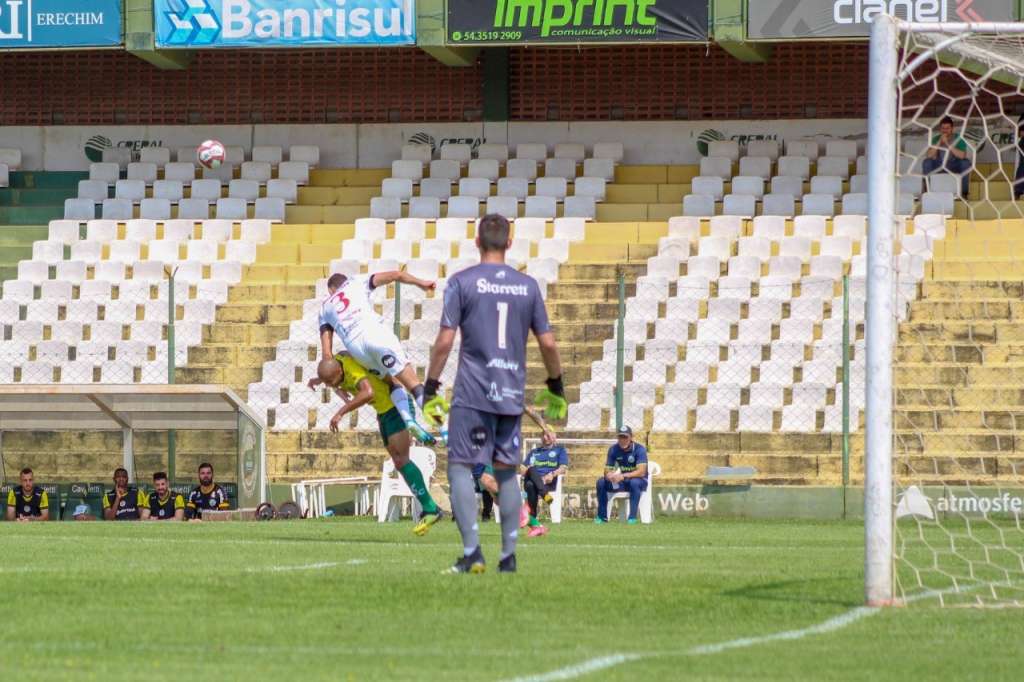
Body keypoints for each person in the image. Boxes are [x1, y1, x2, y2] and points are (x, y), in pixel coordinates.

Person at [424, 213, 567, 575]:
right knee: (505, 473)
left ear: (476, 242)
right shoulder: (528, 286)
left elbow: (444, 341)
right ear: (509, 243)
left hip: (472, 393)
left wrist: (430, 387)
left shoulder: (461, 282)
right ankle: (508, 556)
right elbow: (549, 344)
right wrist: (556, 385)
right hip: (509, 394)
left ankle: (472, 552)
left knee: (460, 467)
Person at [309, 352, 443, 535]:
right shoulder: (338, 366)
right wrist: (319, 380)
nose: (332, 386)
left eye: (332, 382)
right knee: (399, 462)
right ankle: (430, 507)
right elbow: (337, 362)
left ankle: (430, 508)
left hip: (394, 408)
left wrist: (341, 412)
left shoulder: (352, 372)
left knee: (402, 460)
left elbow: (368, 392)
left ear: (339, 371)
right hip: (383, 411)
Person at [319, 269, 437, 443]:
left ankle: (408, 419)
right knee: (414, 385)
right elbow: (396, 275)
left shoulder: (324, 307)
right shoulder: (356, 281)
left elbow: (327, 356)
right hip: (375, 334)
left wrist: (336, 385)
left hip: (356, 348)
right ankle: (443, 425)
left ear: (331, 290)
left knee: (392, 382)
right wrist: (421, 282)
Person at [594, 426, 648, 525]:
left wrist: (623, 476)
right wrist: (609, 475)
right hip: (623, 482)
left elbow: (642, 472)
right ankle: (602, 517)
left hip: (640, 481)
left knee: (634, 482)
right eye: (620, 437)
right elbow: (607, 469)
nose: (622, 440)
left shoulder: (639, 449)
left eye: (625, 437)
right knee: (601, 482)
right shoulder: (613, 449)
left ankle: (632, 518)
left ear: (631, 437)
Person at [520, 430, 568, 537]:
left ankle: (533, 521)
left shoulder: (560, 450)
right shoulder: (534, 452)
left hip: (548, 482)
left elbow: (563, 468)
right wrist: (527, 470)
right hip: (535, 480)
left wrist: (553, 474)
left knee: (530, 485)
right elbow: (522, 467)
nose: (545, 437)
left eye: (548, 435)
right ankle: (544, 494)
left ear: (554, 436)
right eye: (543, 435)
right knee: (531, 470)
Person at [923, 116, 971, 198]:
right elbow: (929, 155)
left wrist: (947, 143)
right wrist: (939, 142)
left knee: (965, 163)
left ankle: (964, 193)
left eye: (947, 128)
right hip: (939, 164)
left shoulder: (958, 138)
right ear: (940, 129)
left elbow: (962, 156)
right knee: (927, 162)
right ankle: (927, 191)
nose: (945, 130)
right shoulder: (936, 139)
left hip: (953, 165)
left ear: (952, 128)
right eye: (943, 128)